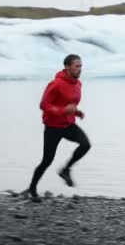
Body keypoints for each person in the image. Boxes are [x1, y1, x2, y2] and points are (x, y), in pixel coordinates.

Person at [27, 54, 91, 201]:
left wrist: (76, 111)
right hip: (53, 127)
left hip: (68, 124)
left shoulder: (78, 84)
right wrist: (63, 111)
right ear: (67, 67)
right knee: (47, 161)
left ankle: (65, 170)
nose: (80, 69)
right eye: (77, 66)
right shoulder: (56, 84)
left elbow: (68, 103)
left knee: (86, 145)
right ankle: (32, 188)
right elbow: (43, 105)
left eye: (81, 66)